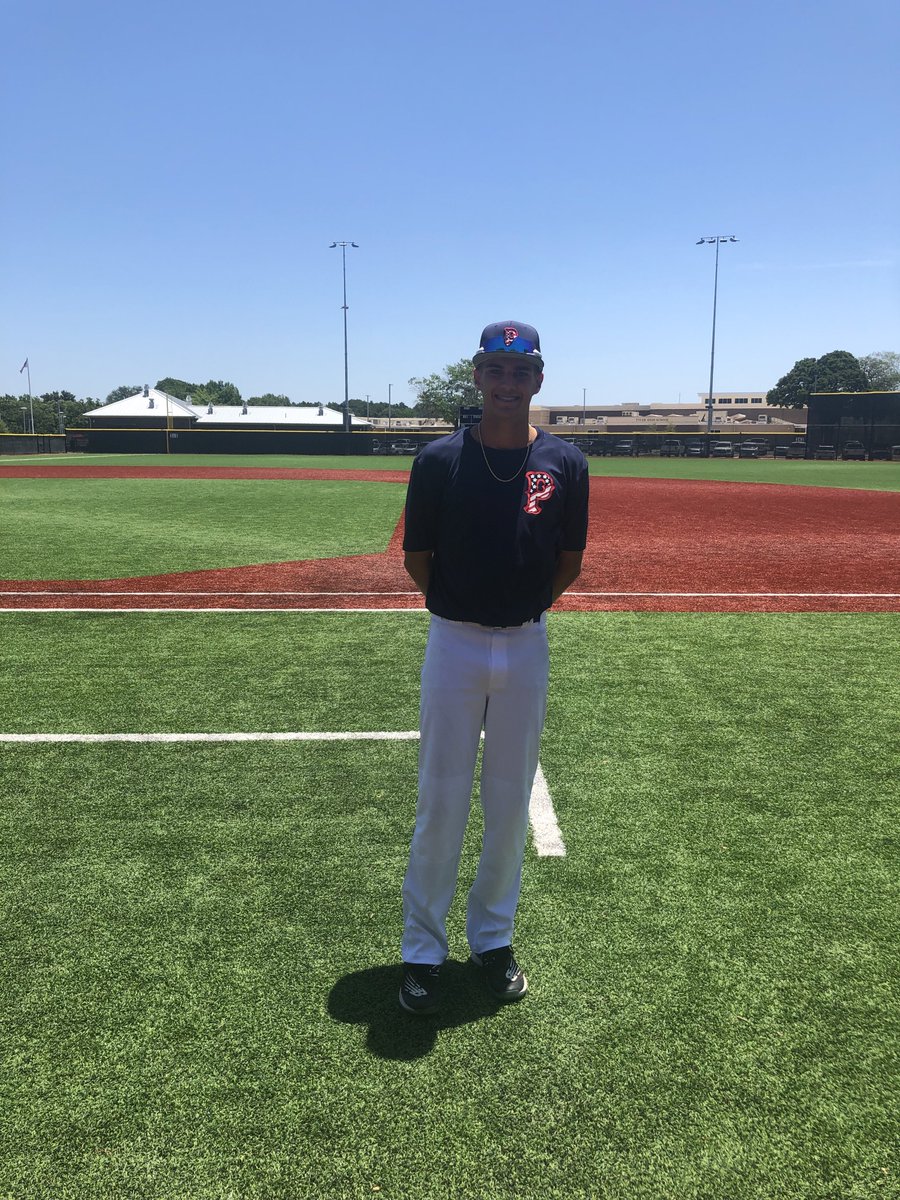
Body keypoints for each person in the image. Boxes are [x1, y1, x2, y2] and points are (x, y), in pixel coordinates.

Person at [398, 321, 590, 1014]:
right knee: (441, 801)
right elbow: (416, 556)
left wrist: (520, 607)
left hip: (526, 643)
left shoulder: (565, 462)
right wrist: (461, 607)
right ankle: (422, 950)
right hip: (452, 641)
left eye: (522, 370)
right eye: (496, 369)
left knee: (508, 806)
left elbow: (569, 559)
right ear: (477, 376)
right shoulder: (439, 460)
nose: (508, 383)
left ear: (538, 379)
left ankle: (492, 940)